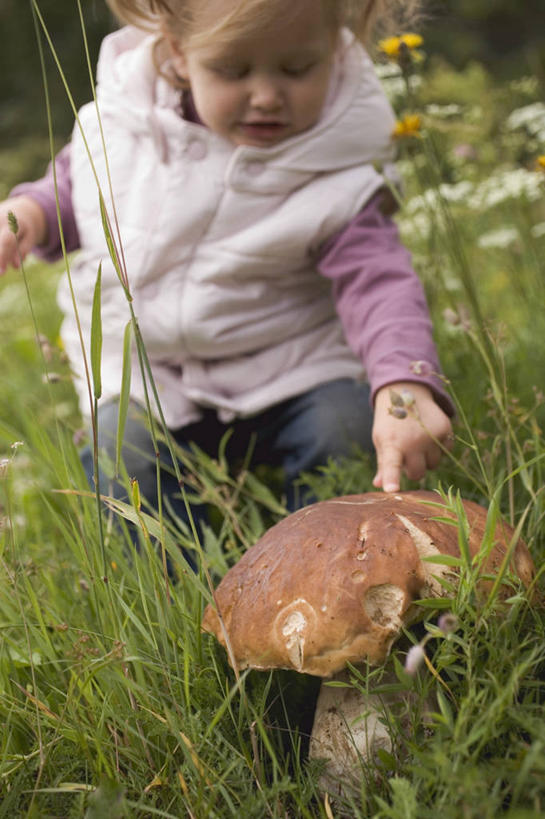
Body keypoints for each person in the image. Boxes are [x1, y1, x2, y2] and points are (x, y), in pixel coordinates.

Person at [0, 0, 453, 532]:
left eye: (296, 69)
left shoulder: (336, 167)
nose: (265, 96)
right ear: (179, 53)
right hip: (154, 376)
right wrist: (28, 212)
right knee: (122, 457)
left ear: (334, 50)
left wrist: (405, 385)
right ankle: (180, 593)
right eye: (232, 71)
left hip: (293, 370)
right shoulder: (127, 121)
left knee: (343, 430)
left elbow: (379, 284)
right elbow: (81, 183)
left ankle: (315, 553)